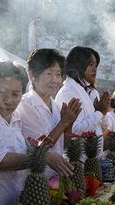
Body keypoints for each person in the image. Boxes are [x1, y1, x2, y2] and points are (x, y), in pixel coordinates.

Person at [0, 61, 73, 205]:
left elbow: (23, 147)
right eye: (1, 92)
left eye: (15, 94)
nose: (8, 100)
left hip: (13, 203)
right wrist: (42, 157)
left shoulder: (14, 114)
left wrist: (40, 149)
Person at [16, 49, 81, 177]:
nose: (55, 80)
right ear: (32, 75)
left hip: (55, 179)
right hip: (35, 180)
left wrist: (69, 125)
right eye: (49, 74)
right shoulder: (26, 105)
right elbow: (40, 148)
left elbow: (62, 145)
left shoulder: (55, 106)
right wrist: (63, 123)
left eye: (58, 74)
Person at [56, 46, 110, 157]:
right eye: (91, 65)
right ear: (78, 65)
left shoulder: (92, 92)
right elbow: (75, 130)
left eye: (96, 66)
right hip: (78, 162)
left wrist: (102, 112)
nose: (95, 69)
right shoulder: (68, 92)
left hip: (94, 158)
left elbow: (104, 126)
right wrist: (99, 113)